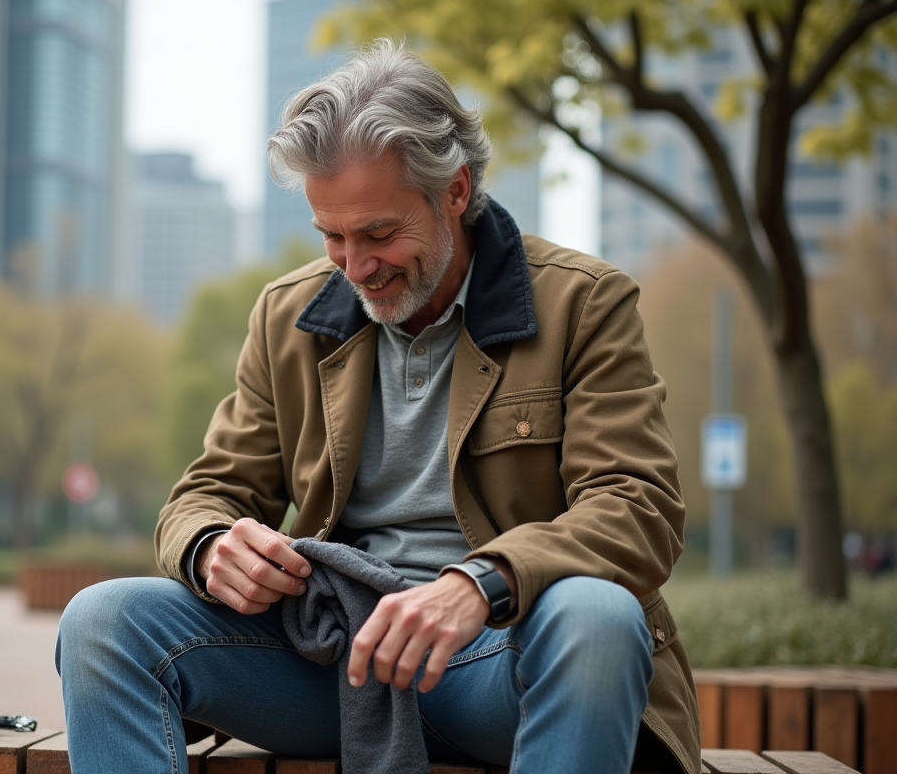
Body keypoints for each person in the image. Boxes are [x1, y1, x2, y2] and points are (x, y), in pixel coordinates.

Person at [56, 40, 701, 774]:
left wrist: (478, 585)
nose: (355, 266)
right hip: (334, 661)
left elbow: (638, 507)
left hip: (503, 662)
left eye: (379, 234)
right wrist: (211, 548)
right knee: (100, 622)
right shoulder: (286, 315)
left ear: (454, 191)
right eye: (331, 235)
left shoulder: (585, 303)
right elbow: (206, 493)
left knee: (597, 616)